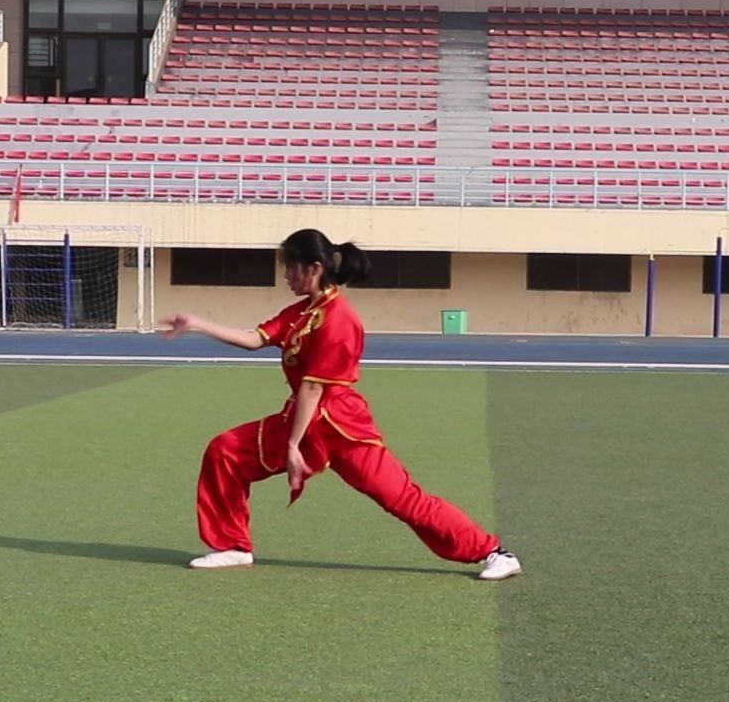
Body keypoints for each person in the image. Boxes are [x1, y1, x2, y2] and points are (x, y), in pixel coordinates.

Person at [159, 229, 522, 581]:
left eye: (291, 266)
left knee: (402, 499)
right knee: (225, 451)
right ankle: (233, 545)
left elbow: (314, 389)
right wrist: (196, 323)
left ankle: (493, 552)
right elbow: (256, 338)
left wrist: (291, 446)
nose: (286, 275)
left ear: (314, 268)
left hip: (342, 428)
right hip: (303, 420)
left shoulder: (340, 320)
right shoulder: (303, 311)